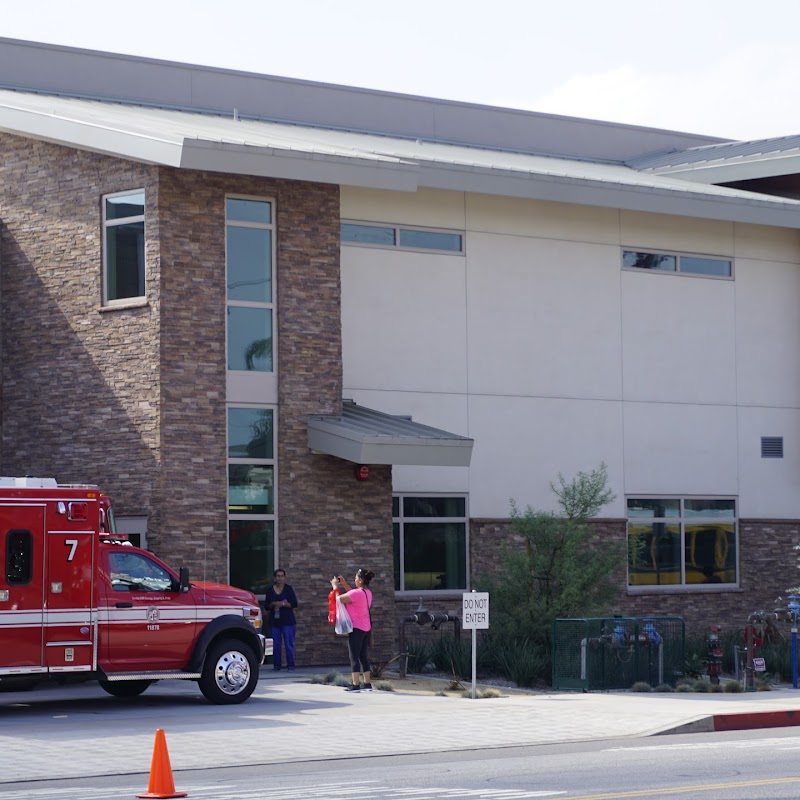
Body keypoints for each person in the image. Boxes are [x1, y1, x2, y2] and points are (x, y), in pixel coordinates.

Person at [331, 568, 375, 692]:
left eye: (356, 578)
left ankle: (355, 684)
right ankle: (367, 683)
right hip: (366, 628)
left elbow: (339, 599)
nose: (355, 580)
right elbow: (353, 595)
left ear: (360, 580)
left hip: (356, 628)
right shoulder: (367, 593)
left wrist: (335, 586)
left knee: (354, 656)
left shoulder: (356, 594)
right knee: (363, 656)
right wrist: (344, 584)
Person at [264, 569, 298, 671]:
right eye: (278, 576)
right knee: (276, 645)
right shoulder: (270, 590)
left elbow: (294, 604)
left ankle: (291, 666)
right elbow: (266, 606)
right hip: (275, 621)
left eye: (282, 576)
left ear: (284, 577)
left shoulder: (288, 589)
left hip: (288, 621)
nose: (280, 578)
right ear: (275, 578)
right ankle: (277, 666)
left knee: (288, 644)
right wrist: (273, 604)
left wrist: (283, 604)